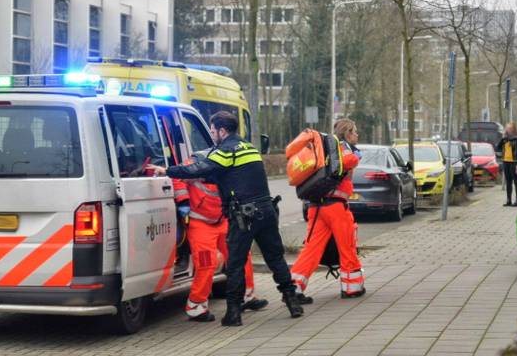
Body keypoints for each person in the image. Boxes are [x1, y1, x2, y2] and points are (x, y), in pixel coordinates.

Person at [147, 111, 303, 326]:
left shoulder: (225, 150)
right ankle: (293, 301)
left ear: (222, 131)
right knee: (275, 258)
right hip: (267, 210)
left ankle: (233, 313)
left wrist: (167, 170)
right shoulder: (250, 148)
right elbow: (228, 174)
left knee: (236, 264)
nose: (211, 135)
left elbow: (202, 168)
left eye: (212, 131)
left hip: (245, 215)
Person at [171, 161, 269, 322]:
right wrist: (183, 200)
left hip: (223, 219)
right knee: (206, 262)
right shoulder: (197, 161)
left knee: (242, 256)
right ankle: (196, 306)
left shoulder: (229, 163)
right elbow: (177, 177)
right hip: (200, 222)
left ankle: (246, 296)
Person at [288, 118, 365, 303]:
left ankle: (293, 288)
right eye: (354, 131)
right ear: (347, 133)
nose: (357, 135)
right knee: (347, 247)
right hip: (336, 208)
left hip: (316, 207)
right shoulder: (341, 146)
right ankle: (352, 288)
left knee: (311, 249)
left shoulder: (322, 148)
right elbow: (349, 160)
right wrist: (357, 156)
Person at [496, 122, 517, 207]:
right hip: (506, 162)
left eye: (509, 128)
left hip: (515, 162)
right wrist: (502, 139)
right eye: (506, 128)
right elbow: (498, 147)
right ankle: (508, 200)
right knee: (508, 182)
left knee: (516, 181)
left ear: (513, 129)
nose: (507, 130)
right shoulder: (505, 139)